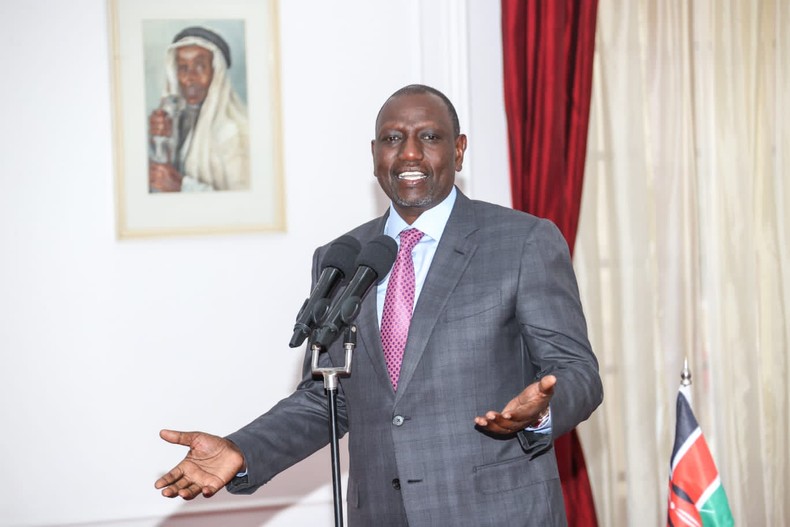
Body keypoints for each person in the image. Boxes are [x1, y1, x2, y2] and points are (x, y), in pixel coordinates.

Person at [155, 84, 603, 526]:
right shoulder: (341, 258)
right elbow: (327, 397)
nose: (409, 153)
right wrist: (241, 449)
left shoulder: (522, 241)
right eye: (392, 139)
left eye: (429, 137)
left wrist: (540, 412)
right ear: (374, 154)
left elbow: (577, 371)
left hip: (494, 512)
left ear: (459, 150)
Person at [148, 26, 249, 192]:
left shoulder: (235, 132)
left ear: (216, 73)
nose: (190, 78)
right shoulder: (178, 120)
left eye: (200, 66)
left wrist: (181, 187)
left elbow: (243, 207)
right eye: (183, 68)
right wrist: (158, 141)